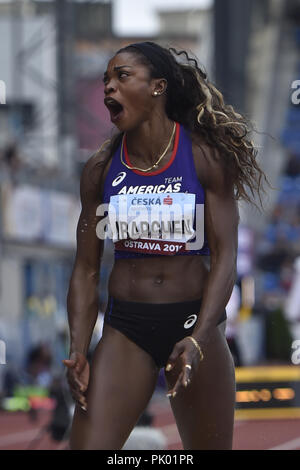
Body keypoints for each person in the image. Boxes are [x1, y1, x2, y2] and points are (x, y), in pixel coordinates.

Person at [63, 42, 267, 450]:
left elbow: (225, 255)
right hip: (127, 328)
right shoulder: (101, 169)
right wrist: (79, 348)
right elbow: (86, 269)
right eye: (106, 80)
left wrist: (201, 335)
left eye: (122, 77)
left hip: (194, 323)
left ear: (158, 87)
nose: (108, 88)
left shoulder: (204, 156)